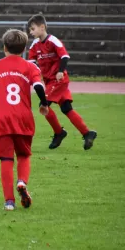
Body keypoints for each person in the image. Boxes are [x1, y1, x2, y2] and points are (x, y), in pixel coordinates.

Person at [0, 29, 49, 211]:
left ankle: (9, 202)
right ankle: (22, 181)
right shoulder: (31, 66)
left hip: (2, 118)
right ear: (23, 49)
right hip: (23, 117)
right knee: (24, 154)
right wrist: (44, 103)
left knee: (6, 158)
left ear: (4, 47)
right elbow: (38, 85)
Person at [27, 14, 97, 150]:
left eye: (32, 29)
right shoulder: (35, 45)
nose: (31, 32)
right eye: (30, 30)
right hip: (49, 82)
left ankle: (59, 133)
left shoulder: (53, 41)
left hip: (59, 80)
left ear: (42, 27)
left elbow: (64, 56)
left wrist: (60, 71)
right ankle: (87, 133)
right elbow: (31, 62)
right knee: (66, 108)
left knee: (43, 105)